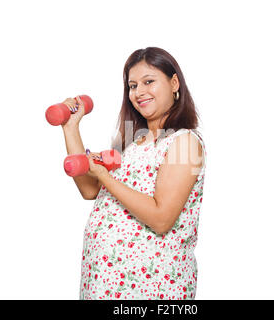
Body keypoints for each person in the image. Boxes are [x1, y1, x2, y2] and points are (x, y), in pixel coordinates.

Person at [61, 47, 207, 300]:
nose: (139, 92)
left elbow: (162, 219)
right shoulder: (130, 140)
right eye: (132, 85)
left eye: (149, 82)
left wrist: (104, 175)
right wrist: (70, 127)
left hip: (152, 288)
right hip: (104, 283)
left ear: (174, 83)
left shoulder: (184, 143)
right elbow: (89, 190)